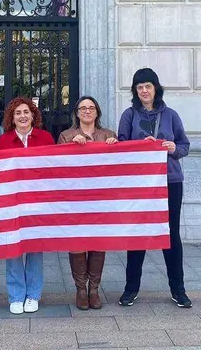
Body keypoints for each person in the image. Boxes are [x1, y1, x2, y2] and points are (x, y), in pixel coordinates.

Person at [117, 68, 192, 308]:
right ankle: (131, 289)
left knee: (171, 235)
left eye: (147, 86)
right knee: (137, 234)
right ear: (135, 91)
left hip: (170, 181)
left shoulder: (171, 115)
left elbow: (184, 145)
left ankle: (178, 290)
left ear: (155, 88)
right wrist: (140, 145)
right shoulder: (129, 116)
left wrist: (173, 148)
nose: (144, 91)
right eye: (139, 87)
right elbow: (120, 147)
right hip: (139, 183)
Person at [0, 97, 56, 314]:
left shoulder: (46, 138)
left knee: (34, 249)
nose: (22, 116)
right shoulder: (3, 141)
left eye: (26, 112)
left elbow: (53, 169)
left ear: (33, 115)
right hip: (12, 202)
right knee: (13, 248)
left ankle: (32, 295)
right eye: (18, 113)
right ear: (12, 118)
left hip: (37, 203)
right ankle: (16, 295)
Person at [57, 96, 117, 310]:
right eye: (83, 108)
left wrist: (115, 148)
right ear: (77, 112)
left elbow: (117, 167)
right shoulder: (66, 136)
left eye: (91, 107)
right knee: (77, 243)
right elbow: (59, 168)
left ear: (97, 112)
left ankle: (94, 289)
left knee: (98, 243)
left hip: (101, 200)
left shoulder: (109, 135)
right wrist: (72, 147)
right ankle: (81, 289)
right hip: (75, 200)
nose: (87, 111)